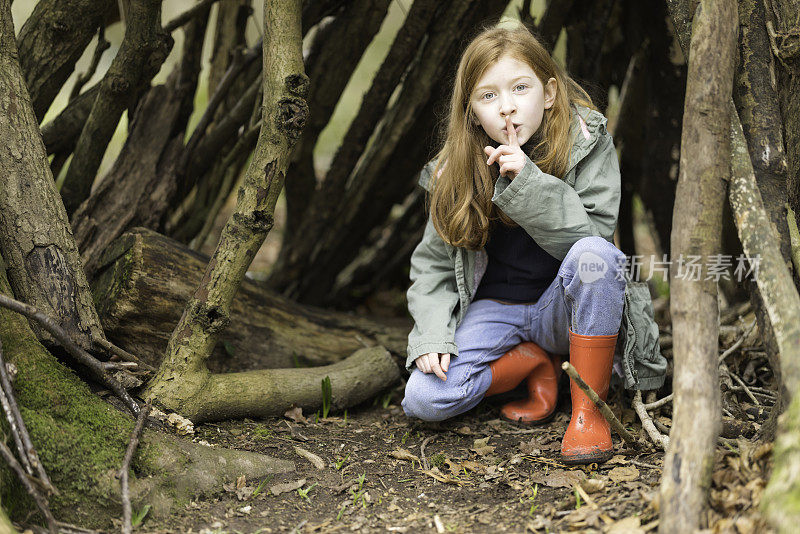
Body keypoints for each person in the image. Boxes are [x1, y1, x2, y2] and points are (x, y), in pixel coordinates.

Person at [402, 23, 629, 465]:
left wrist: (528, 182)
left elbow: (595, 241)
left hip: (561, 309)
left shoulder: (585, 142)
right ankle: (530, 364)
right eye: (488, 96)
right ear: (471, 112)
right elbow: (432, 264)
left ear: (547, 93)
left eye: (520, 88)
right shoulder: (455, 168)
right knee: (424, 398)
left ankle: (587, 413)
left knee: (597, 257)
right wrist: (431, 334)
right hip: (495, 311)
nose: (507, 108)